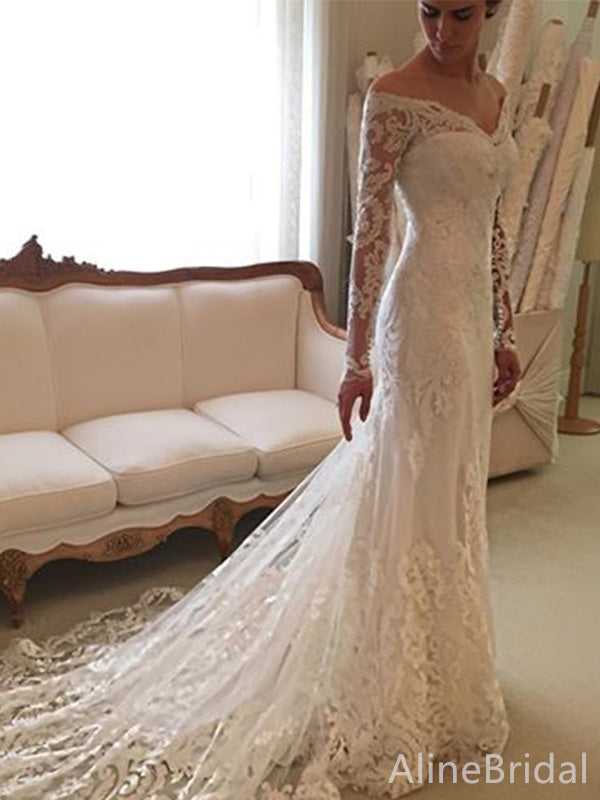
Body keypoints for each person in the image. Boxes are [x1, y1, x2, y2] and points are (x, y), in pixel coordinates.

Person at [0, 1, 521, 797]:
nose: (441, 32)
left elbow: (494, 227)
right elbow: (372, 235)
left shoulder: (497, 96)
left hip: (471, 327)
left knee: (451, 494)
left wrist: (505, 329)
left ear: (488, 11)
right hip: (417, 322)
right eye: (427, 11)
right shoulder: (395, 95)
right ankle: (383, 672)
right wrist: (355, 361)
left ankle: (444, 668)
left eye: (460, 15)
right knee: (403, 488)